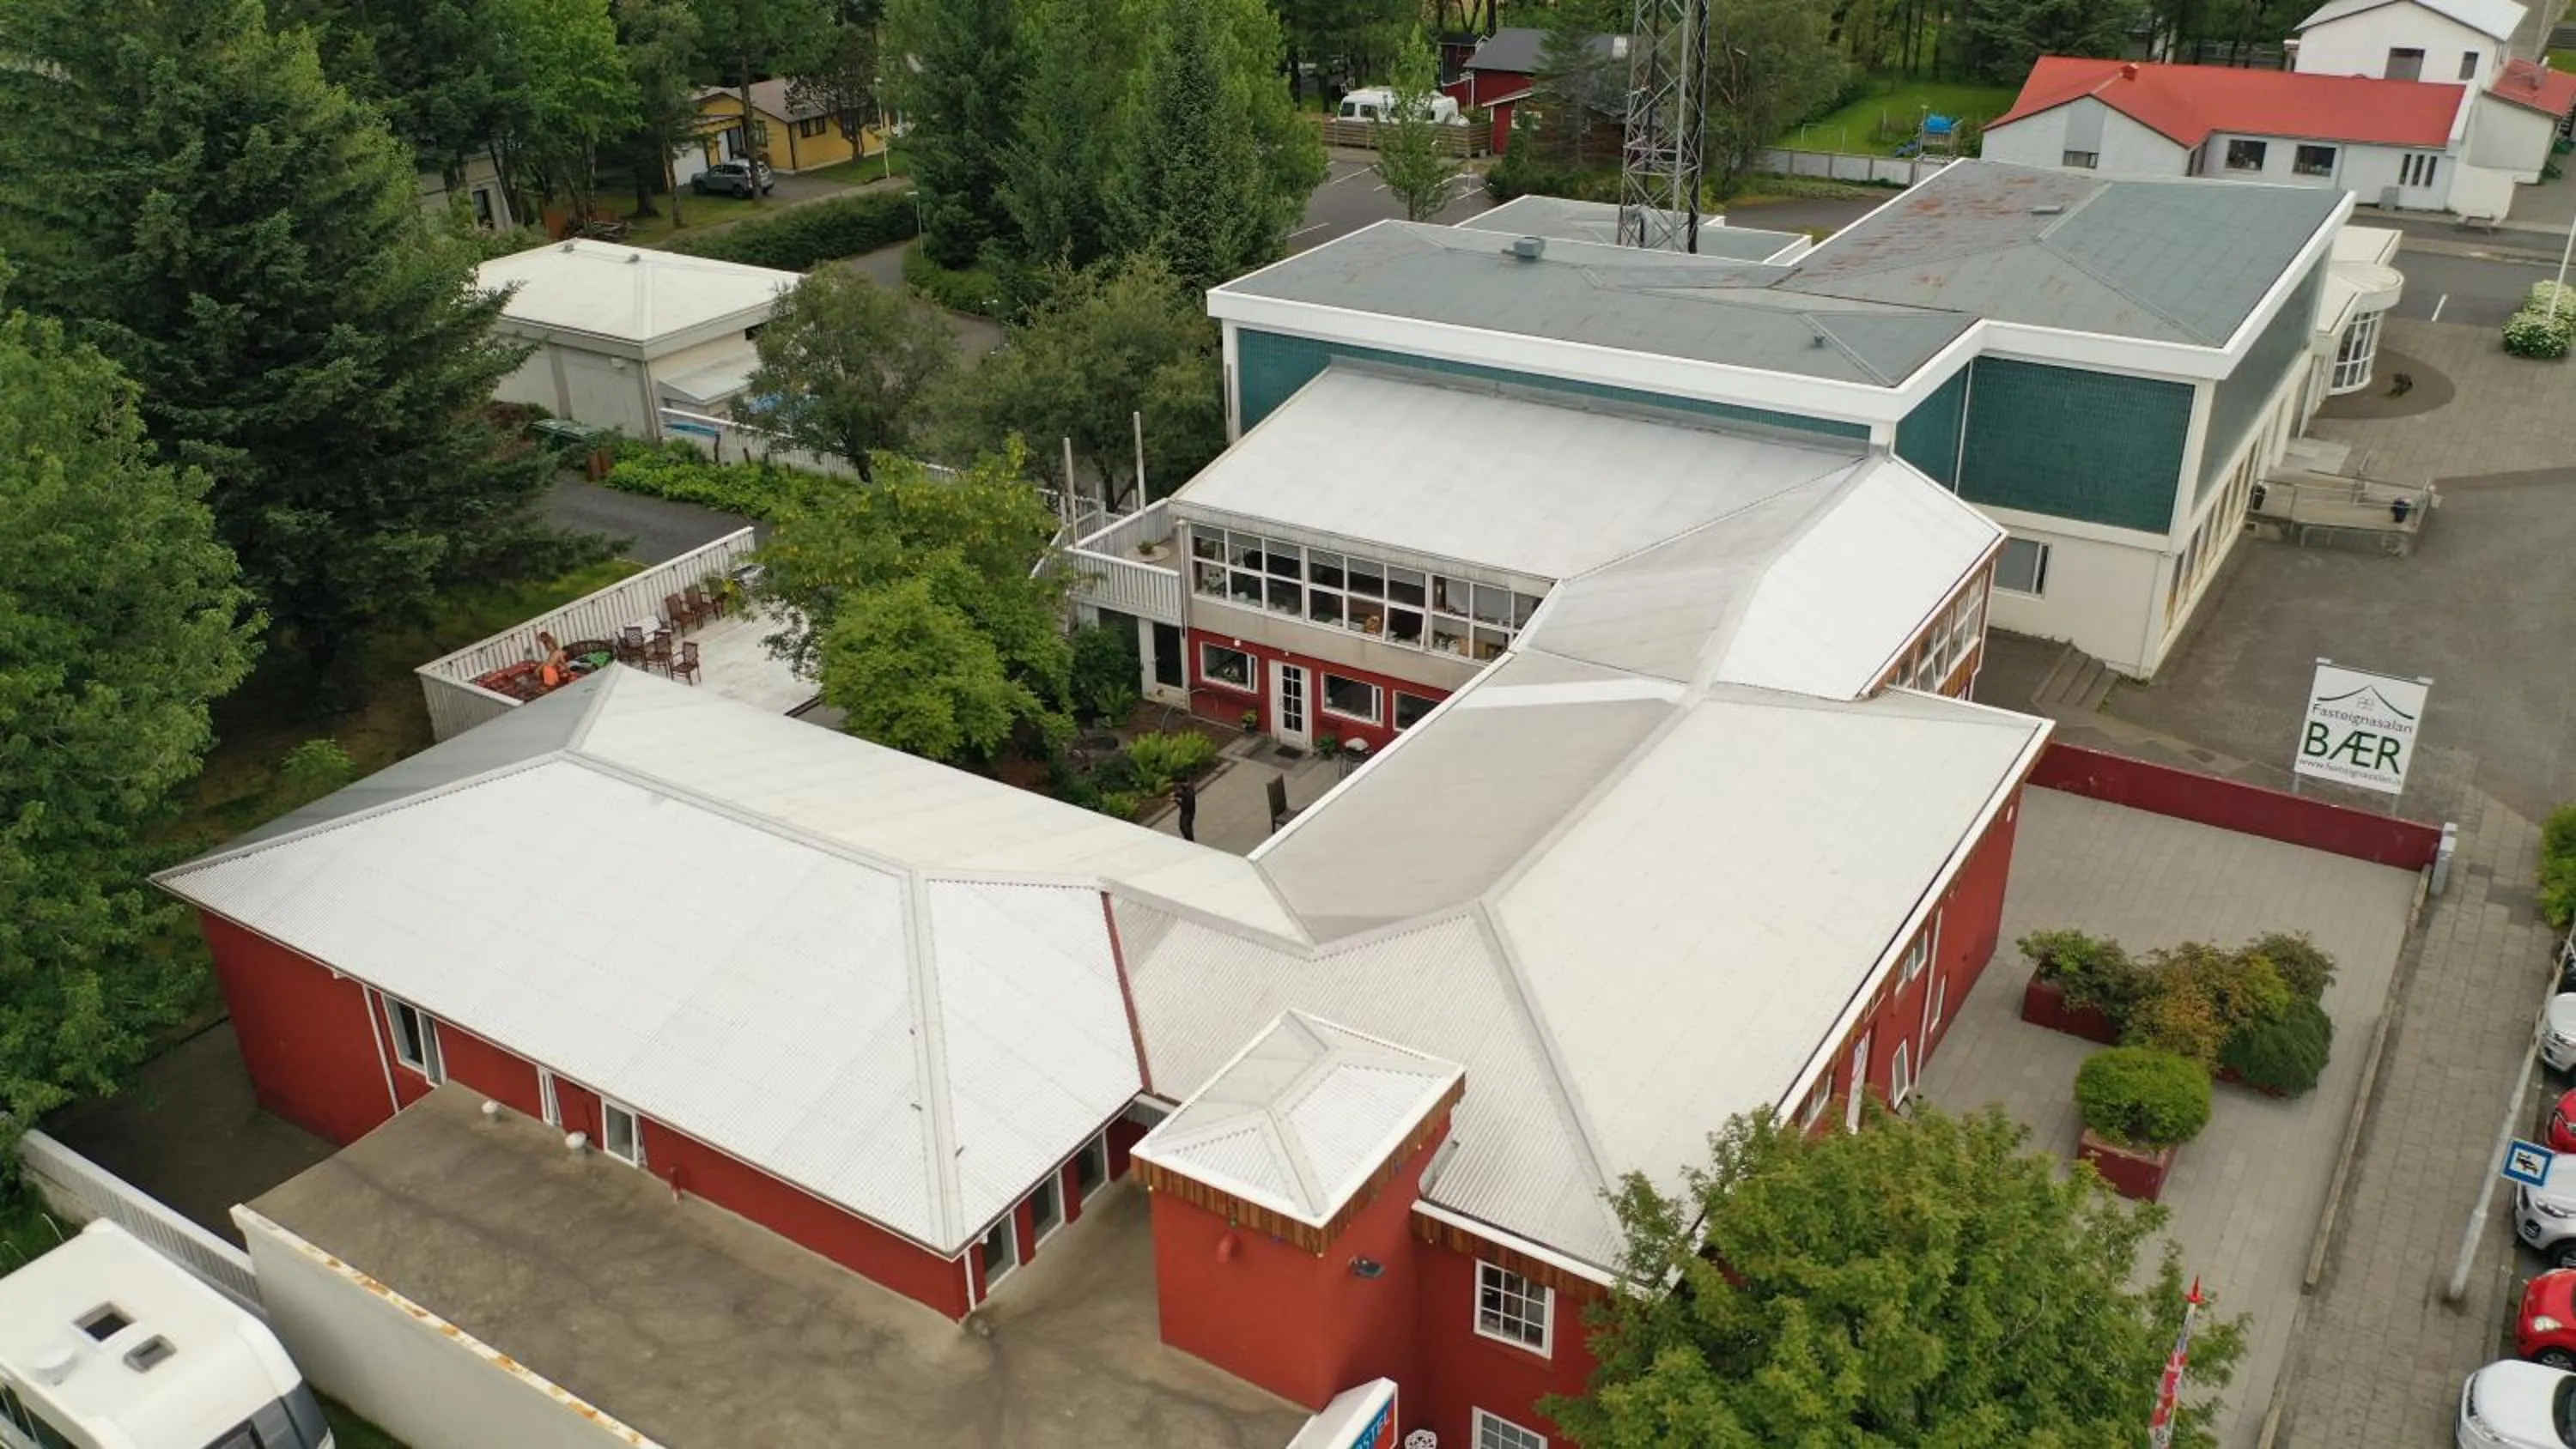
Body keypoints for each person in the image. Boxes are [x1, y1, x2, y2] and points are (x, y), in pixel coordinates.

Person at [1173, 779, 1198, 843]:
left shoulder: (1190, 793)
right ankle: (1190, 840)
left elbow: (1185, 806)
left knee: (1185, 828)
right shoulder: (1188, 789)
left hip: (1187, 814)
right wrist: (1176, 795)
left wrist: (1176, 801)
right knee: (1185, 827)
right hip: (1188, 813)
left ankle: (1190, 841)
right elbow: (1183, 794)